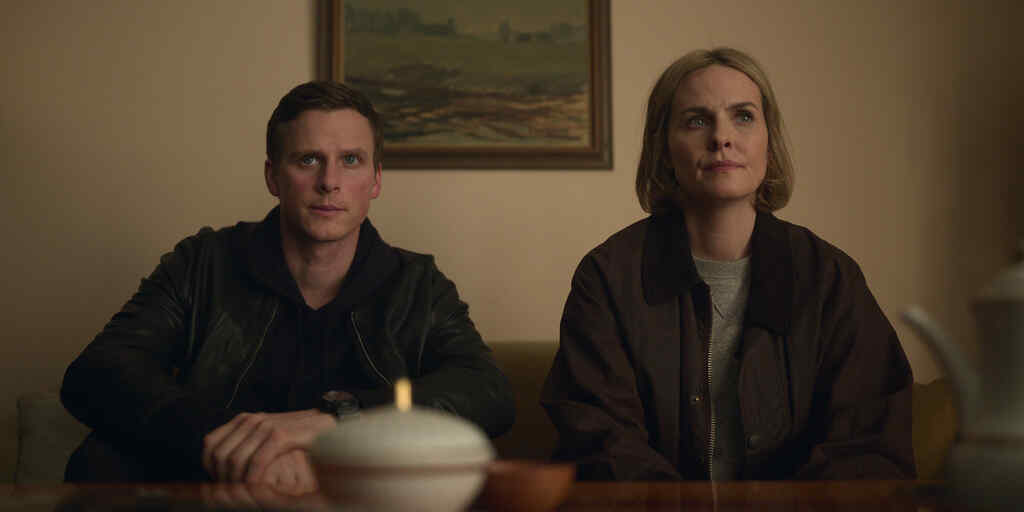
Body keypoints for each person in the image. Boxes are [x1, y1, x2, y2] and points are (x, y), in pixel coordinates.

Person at [61, 81, 514, 493]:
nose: (329, 183)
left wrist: (336, 421)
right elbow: (99, 371)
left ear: (375, 180)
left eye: (350, 160)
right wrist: (243, 446)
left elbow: (487, 392)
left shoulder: (417, 283)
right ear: (273, 176)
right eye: (307, 160)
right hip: (217, 487)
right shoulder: (204, 264)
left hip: (364, 493)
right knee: (101, 458)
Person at [541, 48, 915, 481]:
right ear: (664, 149)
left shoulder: (829, 278)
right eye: (696, 121)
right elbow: (601, 442)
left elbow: (869, 443)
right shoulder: (607, 278)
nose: (722, 137)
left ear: (768, 142)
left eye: (743, 117)